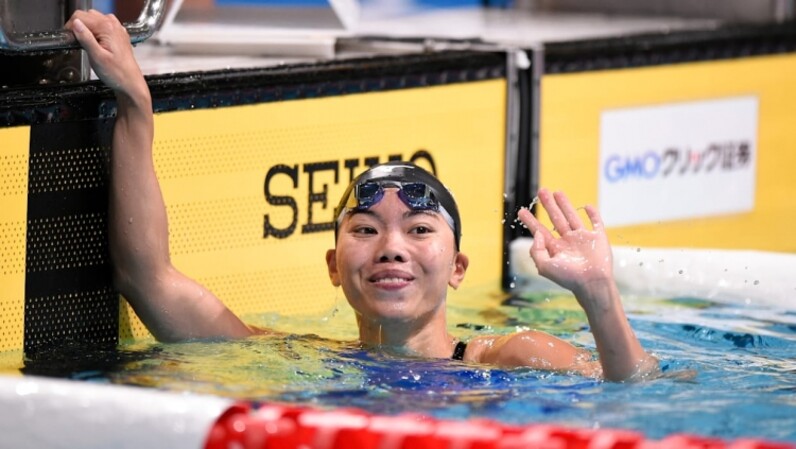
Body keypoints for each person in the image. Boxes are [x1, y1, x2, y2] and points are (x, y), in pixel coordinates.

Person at [65, 10, 658, 382]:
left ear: (458, 269)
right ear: (333, 265)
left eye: (420, 229)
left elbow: (633, 390)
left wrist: (599, 295)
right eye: (366, 228)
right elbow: (147, 279)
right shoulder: (298, 359)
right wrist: (136, 107)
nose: (391, 248)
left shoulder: (511, 357)